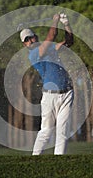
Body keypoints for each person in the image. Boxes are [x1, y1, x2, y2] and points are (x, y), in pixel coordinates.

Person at [20, 13, 74, 155]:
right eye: (26, 40)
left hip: (67, 93)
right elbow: (51, 36)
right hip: (50, 97)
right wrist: (55, 21)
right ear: (24, 45)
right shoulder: (34, 55)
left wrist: (66, 24)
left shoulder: (50, 48)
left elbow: (68, 43)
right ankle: (35, 159)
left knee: (62, 131)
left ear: (35, 37)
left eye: (30, 37)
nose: (30, 41)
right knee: (46, 131)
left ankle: (59, 161)